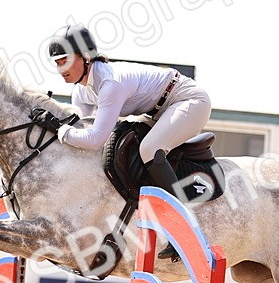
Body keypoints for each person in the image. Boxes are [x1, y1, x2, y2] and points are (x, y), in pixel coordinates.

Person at [47, 25, 212, 197]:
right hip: (161, 109)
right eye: (57, 63)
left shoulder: (110, 84)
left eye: (65, 61)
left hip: (189, 100)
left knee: (149, 149)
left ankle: (178, 210)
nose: (60, 69)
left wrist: (60, 130)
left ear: (86, 57)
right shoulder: (81, 91)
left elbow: (95, 139)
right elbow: (83, 132)